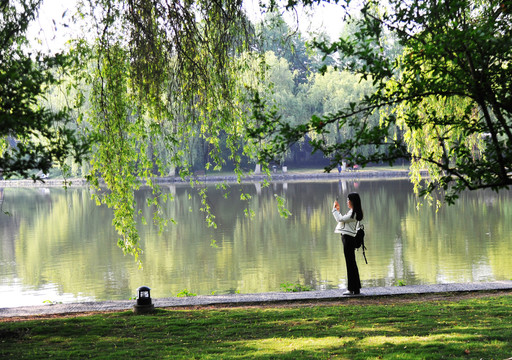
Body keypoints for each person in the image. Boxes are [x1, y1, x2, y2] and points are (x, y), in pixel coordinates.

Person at [332, 192, 364, 296]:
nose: (347, 202)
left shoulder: (353, 213)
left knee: (350, 264)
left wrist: (334, 210)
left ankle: (352, 289)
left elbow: (340, 219)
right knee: (351, 264)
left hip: (348, 240)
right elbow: (342, 220)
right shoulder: (353, 212)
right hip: (348, 239)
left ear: (352, 201)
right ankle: (355, 288)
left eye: (348, 200)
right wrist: (338, 211)